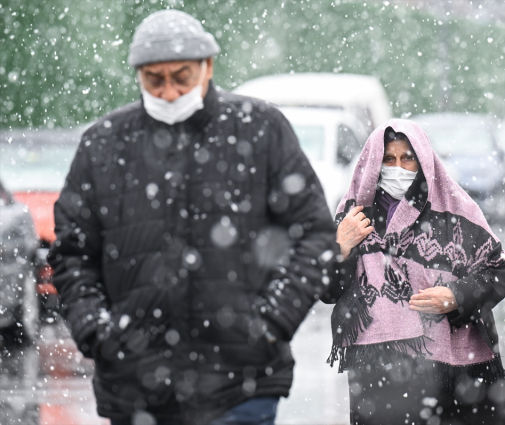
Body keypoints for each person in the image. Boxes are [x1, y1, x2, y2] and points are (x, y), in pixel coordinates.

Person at [48, 10, 336, 425]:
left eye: (181, 77)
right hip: (135, 388)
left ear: (208, 67)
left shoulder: (259, 129)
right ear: (138, 76)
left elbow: (313, 234)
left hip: (242, 382)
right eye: (154, 79)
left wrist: (271, 321)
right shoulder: (104, 143)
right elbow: (72, 252)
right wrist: (98, 331)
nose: (168, 91)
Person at [322, 119, 505, 425]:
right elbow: (327, 290)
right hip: (378, 376)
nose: (397, 168)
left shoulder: (456, 210)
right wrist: (341, 247)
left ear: (423, 160)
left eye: (407, 158)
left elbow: (497, 272)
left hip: (452, 372)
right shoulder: (353, 215)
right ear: (373, 162)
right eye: (388, 159)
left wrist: (456, 297)